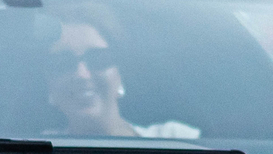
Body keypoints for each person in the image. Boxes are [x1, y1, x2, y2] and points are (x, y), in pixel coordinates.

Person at [43, 11, 200, 139]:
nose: (82, 74)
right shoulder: (31, 149)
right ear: (47, 80)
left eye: (98, 58)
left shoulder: (177, 139)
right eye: (62, 63)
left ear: (120, 72)